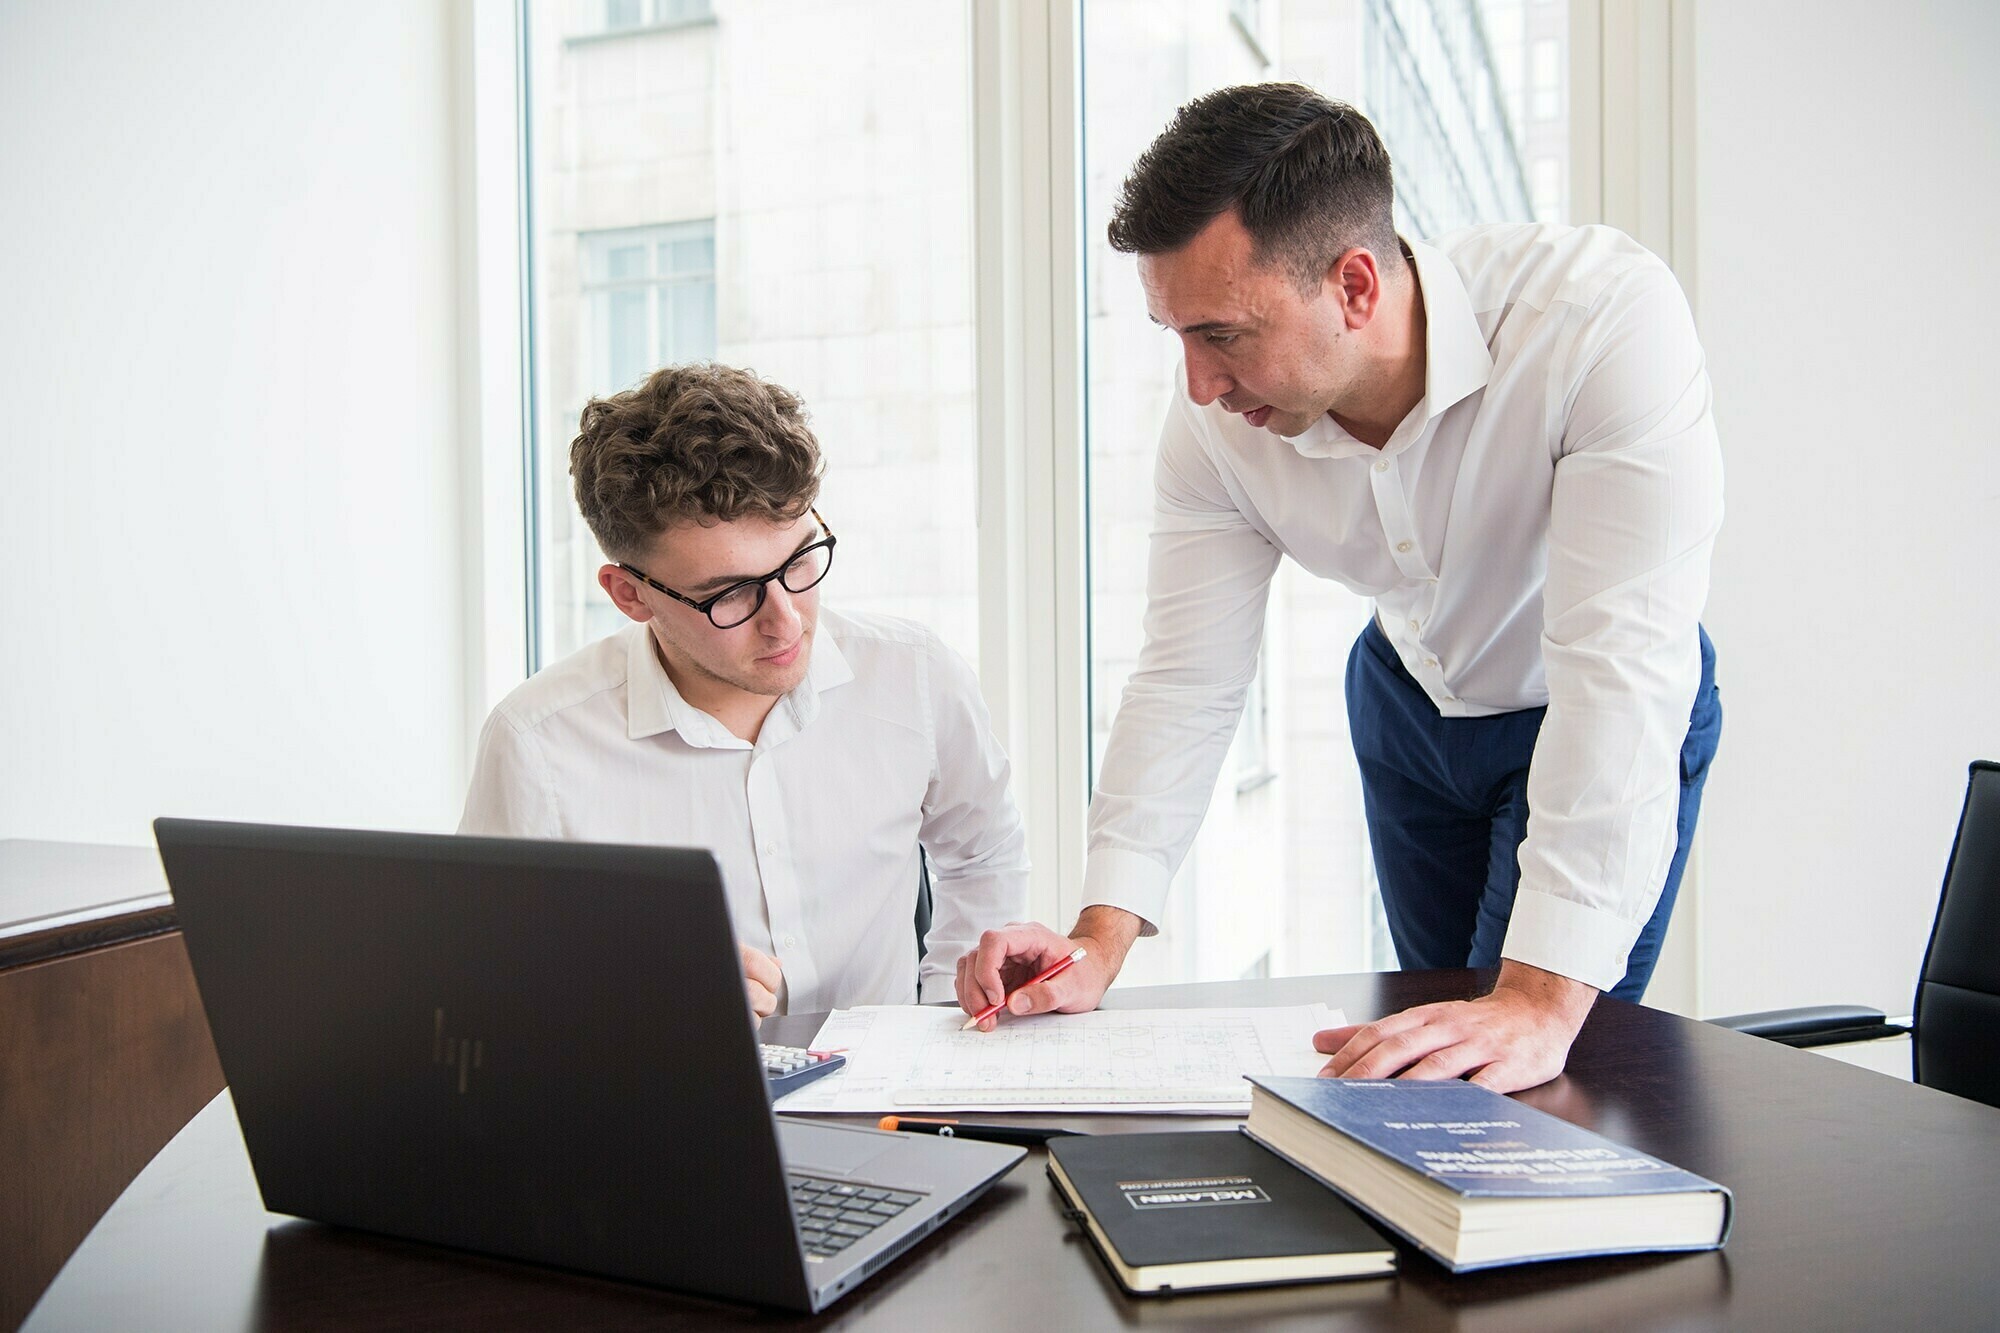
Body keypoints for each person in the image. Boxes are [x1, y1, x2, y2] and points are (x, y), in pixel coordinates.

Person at [955, 83, 1722, 1094]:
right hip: (1404, 705)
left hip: (1579, 705)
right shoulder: (1213, 429)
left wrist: (1539, 1001)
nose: (1196, 385)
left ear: (1353, 286)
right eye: (1174, 335)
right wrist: (1098, 939)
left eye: (1220, 334)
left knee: (1521, 1067)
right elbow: (1185, 680)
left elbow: (1618, 676)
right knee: (1419, 1057)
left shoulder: (1596, 321)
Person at [462, 363, 1028, 1024]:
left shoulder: (915, 675)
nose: (786, 620)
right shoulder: (538, 746)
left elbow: (985, 850)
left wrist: (944, 1024)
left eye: (799, 561)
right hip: (679, 1114)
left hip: (900, 1112)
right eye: (729, 593)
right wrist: (637, 996)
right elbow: (489, 990)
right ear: (630, 594)